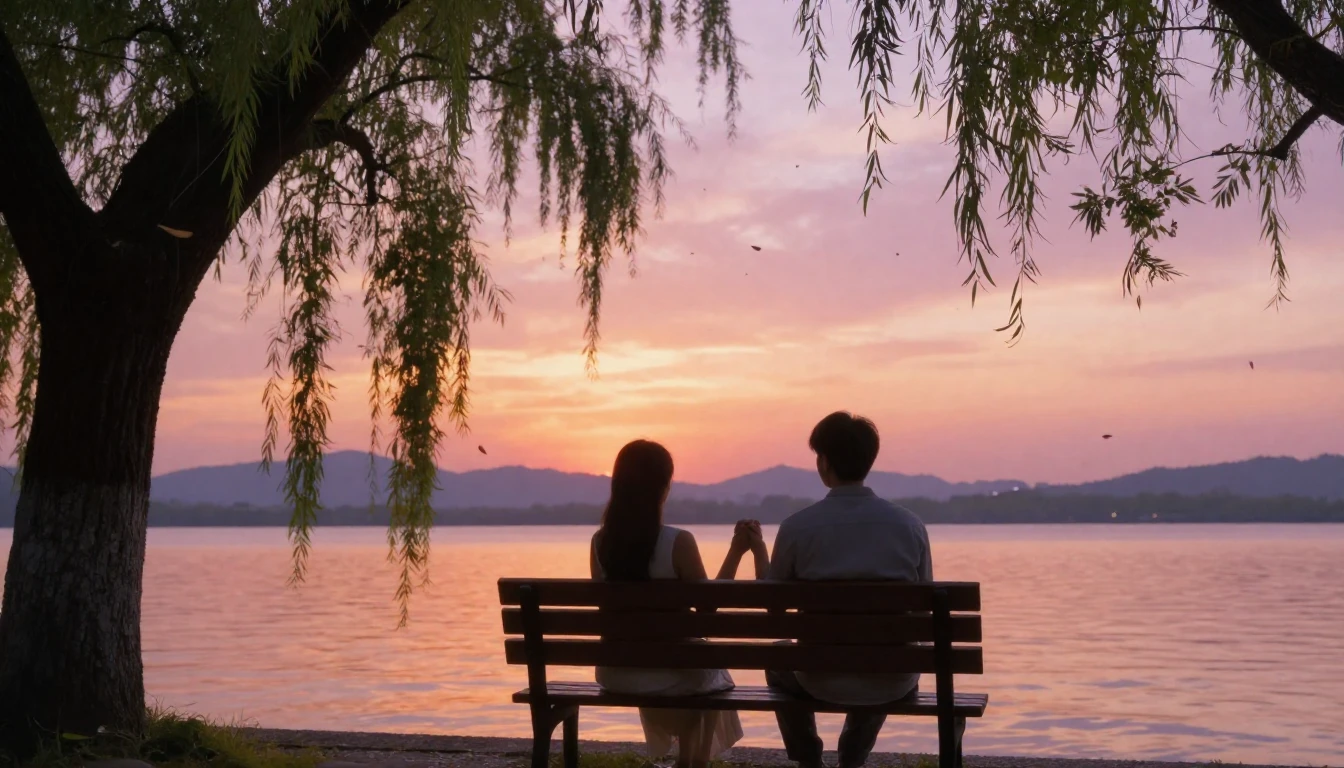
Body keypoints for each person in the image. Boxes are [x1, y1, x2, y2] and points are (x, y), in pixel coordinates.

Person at [741, 411, 934, 768]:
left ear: (824, 462)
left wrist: (759, 551)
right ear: (869, 461)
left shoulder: (798, 527)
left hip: (818, 677)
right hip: (892, 678)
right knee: (885, 658)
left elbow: (774, 608)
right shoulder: (909, 525)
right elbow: (923, 613)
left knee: (777, 656)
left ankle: (808, 760)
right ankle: (852, 759)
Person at [590, 439, 769, 768]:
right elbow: (707, 609)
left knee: (692, 661)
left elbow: (608, 614)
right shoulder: (678, 541)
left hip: (616, 672)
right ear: (664, 487)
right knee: (709, 668)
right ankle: (693, 761)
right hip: (670, 671)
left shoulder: (600, 543)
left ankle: (687, 760)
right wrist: (737, 551)